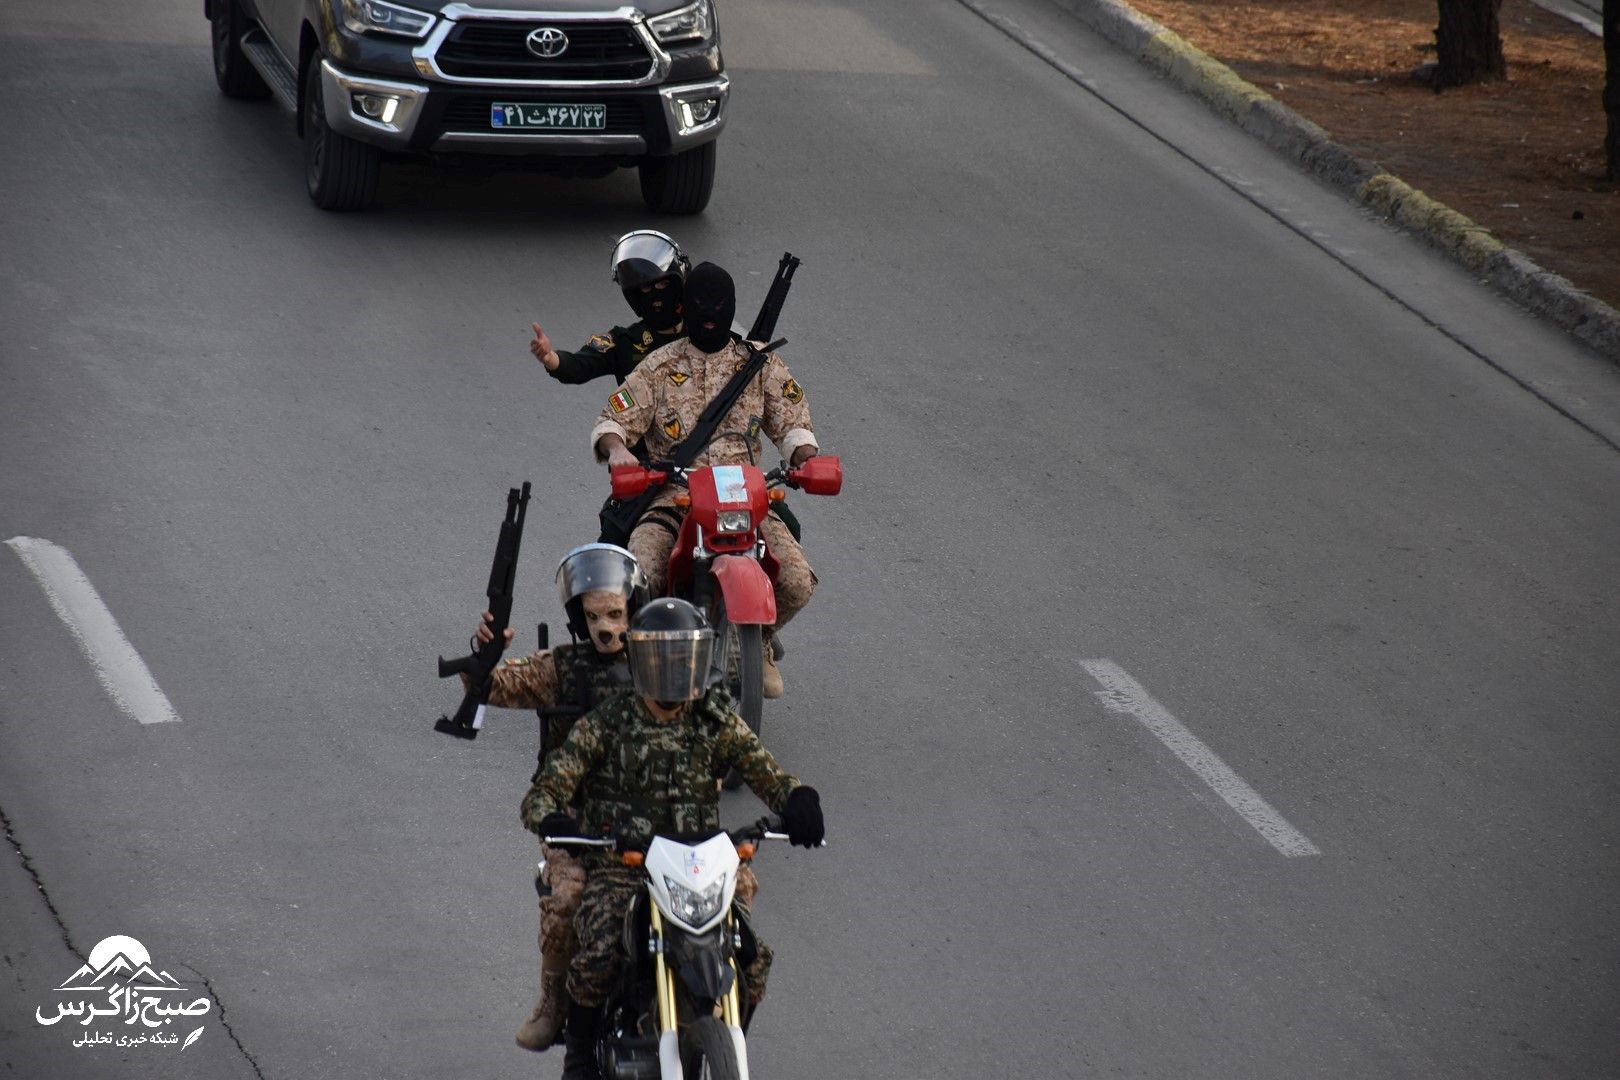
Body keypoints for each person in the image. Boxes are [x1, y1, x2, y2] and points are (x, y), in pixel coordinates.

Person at [521, 598, 825, 1080]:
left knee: (752, 959)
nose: (672, 671)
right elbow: (548, 788)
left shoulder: (713, 719)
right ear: (640, 662)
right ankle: (578, 1059)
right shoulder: (607, 722)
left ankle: (723, 1044)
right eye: (660, 658)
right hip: (624, 865)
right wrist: (554, 817)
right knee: (600, 948)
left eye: (682, 658)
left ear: (698, 661)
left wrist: (798, 800)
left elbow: (766, 772)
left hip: (699, 866)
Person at [589, 261, 825, 697]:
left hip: (745, 499)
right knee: (641, 573)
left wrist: (805, 458)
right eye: (700, 303)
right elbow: (613, 420)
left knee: (795, 581)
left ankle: (759, 641)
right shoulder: (659, 366)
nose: (710, 313)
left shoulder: (760, 365)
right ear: (685, 306)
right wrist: (618, 450)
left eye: (719, 304)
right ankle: (641, 660)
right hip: (675, 496)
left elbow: (793, 425)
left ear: (732, 305)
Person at [460, 544, 646, 1052]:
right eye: (594, 617)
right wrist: (484, 654)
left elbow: (710, 722)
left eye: (615, 614)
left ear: (633, 609)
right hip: (578, 821)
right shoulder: (560, 668)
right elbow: (490, 688)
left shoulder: (661, 663)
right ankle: (553, 999)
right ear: (578, 619)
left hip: (654, 815)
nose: (605, 628)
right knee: (567, 900)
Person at [529, 230, 691, 388]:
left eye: (663, 284)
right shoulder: (625, 342)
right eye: (646, 288)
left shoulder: (699, 330)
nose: (656, 296)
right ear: (636, 297)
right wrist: (549, 357)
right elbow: (579, 365)